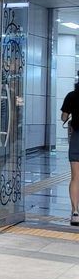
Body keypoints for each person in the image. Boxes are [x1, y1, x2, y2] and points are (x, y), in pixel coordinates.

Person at [60, 74, 79, 225]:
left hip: (77, 138)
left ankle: (75, 212)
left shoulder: (71, 96)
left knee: (75, 177)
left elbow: (63, 117)